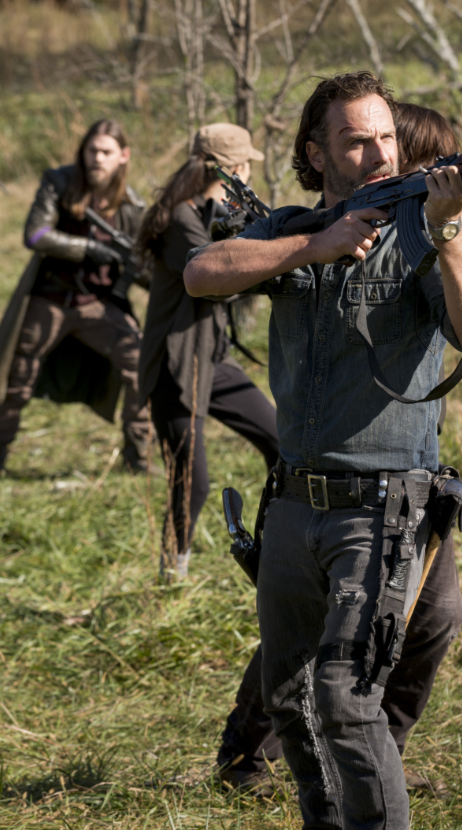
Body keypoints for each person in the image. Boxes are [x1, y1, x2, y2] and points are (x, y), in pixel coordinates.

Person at [184, 71, 462, 829]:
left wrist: (451, 231)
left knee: (345, 696)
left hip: (385, 507)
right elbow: (202, 273)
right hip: (294, 503)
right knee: (289, 698)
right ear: (316, 154)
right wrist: (314, 246)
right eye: (356, 140)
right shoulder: (292, 228)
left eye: (386, 136)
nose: (378, 153)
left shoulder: (423, 233)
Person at [137, 123, 278, 581]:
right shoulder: (180, 218)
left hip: (212, 360)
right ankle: (171, 572)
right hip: (176, 363)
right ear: (234, 167)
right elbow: (212, 282)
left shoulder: (213, 208)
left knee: (282, 443)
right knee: (190, 482)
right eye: (247, 164)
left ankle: (281, 546)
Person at [0, 119, 150, 475]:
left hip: (101, 306)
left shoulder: (132, 206)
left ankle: (137, 458)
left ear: (123, 156)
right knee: (17, 378)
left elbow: (146, 268)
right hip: (51, 299)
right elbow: (36, 235)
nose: (97, 158)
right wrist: (86, 248)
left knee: (140, 366)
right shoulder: (58, 183)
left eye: (106, 152)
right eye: (92, 150)